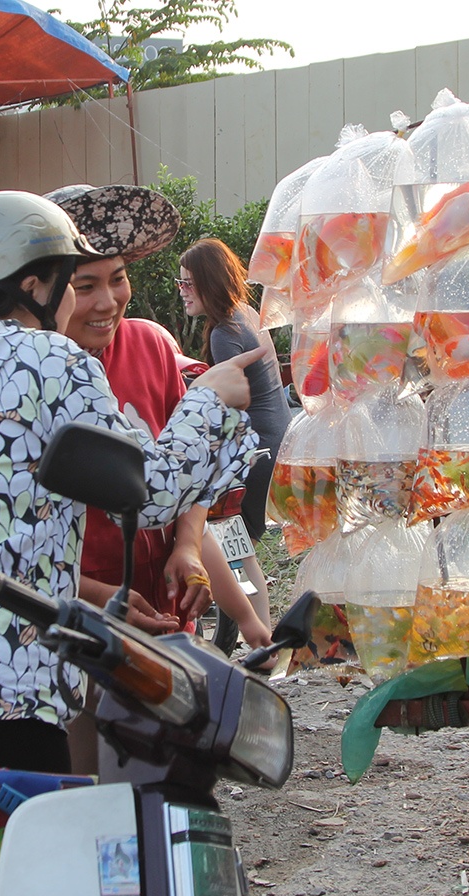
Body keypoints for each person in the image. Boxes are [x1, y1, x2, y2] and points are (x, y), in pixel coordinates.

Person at [0, 191, 264, 771]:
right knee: (9, 858)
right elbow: (149, 489)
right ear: (35, 286)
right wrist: (210, 400)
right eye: (73, 280)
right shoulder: (49, 361)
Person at [45, 185, 272, 650]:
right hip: (79, 631)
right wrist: (93, 596)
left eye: (119, 277)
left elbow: (185, 470)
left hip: (167, 621)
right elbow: (14, 548)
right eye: (85, 286)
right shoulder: (34, 378)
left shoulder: (150, 344)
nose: (108, 301)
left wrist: (187, 546)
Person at [179, 237, 291, 629]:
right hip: (276, 442)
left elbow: (228, 404)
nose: (182, 293)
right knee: (240, 547)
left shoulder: (223, 333)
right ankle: (259, 634)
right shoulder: (244, 313)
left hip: (253, 452)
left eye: (188, 284)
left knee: (227, 544)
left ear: (208, 283)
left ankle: (254, 633)